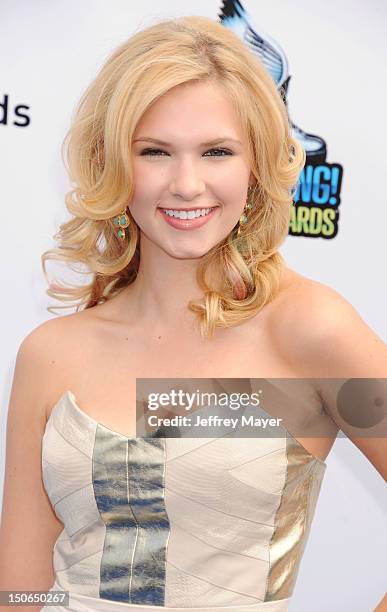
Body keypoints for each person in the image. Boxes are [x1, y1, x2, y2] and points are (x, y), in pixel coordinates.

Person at [0, 14, 386, 612]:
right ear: (114, 166)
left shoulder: (308, 329)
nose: (187, 183)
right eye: (155, 151)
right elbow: (16, 591)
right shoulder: (53, 352)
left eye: (216, 152)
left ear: (256, 166)